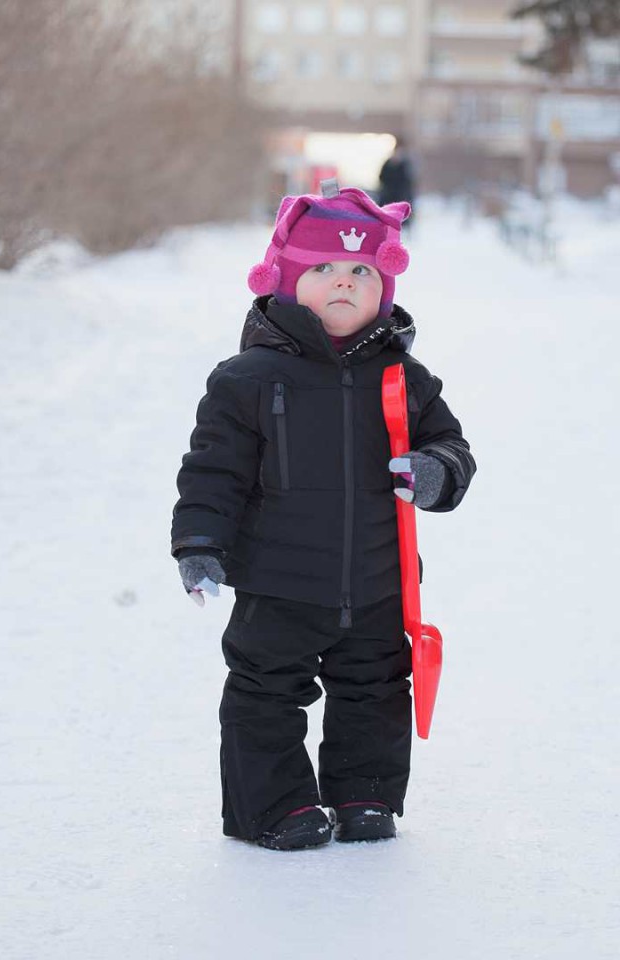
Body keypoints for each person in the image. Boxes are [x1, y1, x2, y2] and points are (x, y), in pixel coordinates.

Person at [171, 181, 476, 851]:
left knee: (375, 688)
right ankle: (272, 808)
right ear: (285, 281)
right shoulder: (246, 379)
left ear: (384, 289)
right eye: (324, 270)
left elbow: (452, 449)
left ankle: (365, 795)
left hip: (378, 578)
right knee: (264, 693)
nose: (344, 283)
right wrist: (199, 544)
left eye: (361, 271)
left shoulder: (404, 378)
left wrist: (435, 472)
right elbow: (212, 472)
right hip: (277, 583)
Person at [378, 137, 416, 223]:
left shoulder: (406, 164)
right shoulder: (388, 163)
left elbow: (409, 181)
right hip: (388, 199)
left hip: (401, 198)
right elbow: (381, 177)